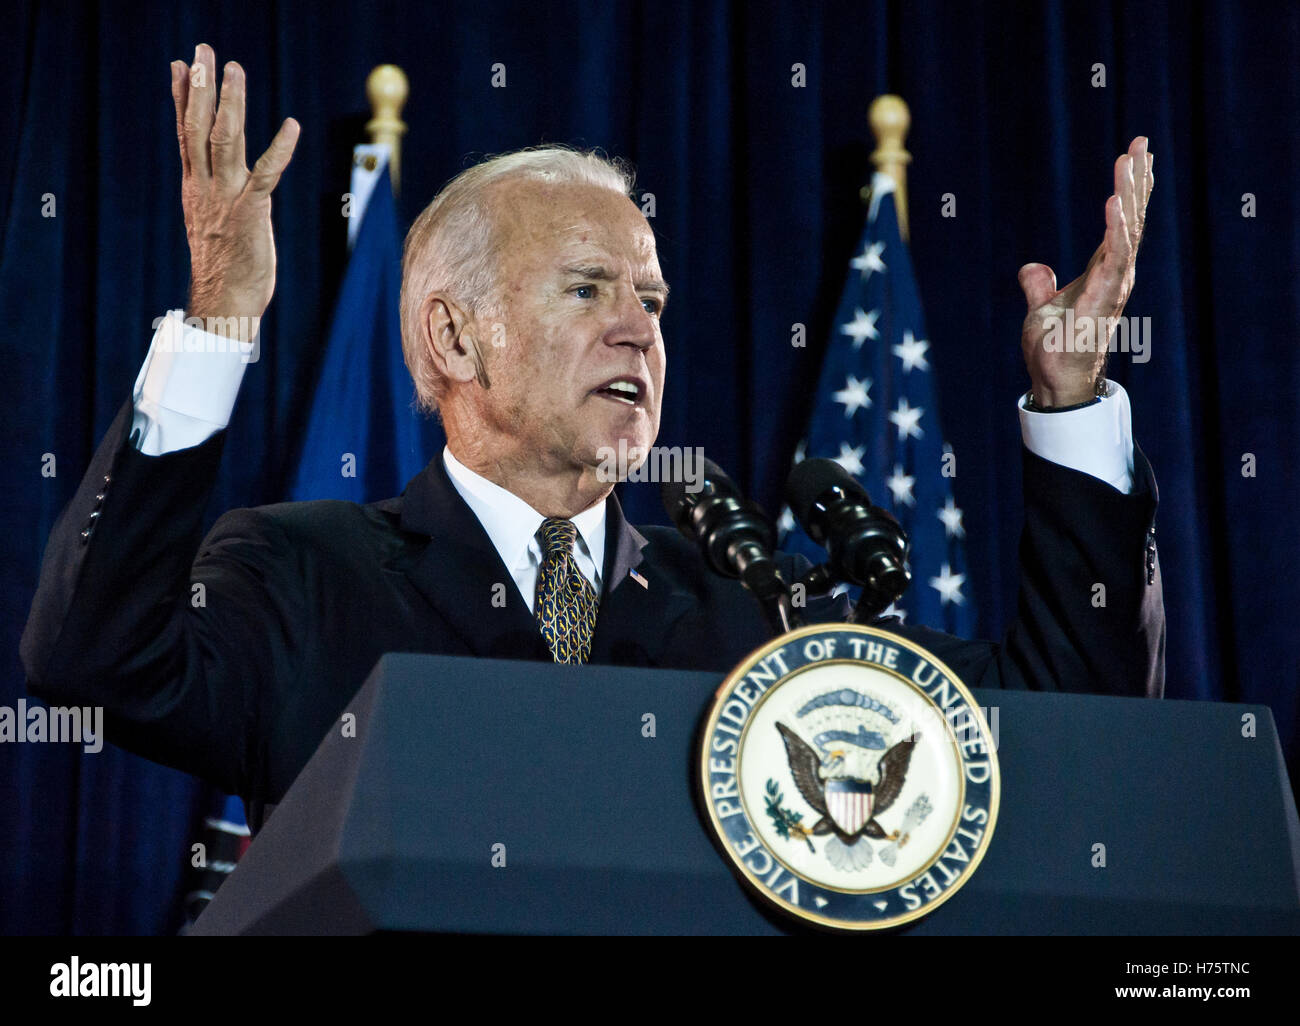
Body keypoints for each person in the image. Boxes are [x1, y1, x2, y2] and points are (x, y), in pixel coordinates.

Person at [21, 45, 1163, 831]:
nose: (638, 328)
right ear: (454, 338)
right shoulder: (302, 572)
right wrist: (219, 319)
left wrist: (1070, 407)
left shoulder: (750, 601)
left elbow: (1063, 724)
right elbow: (96, 663)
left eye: (653, 302)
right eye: (586, 290)